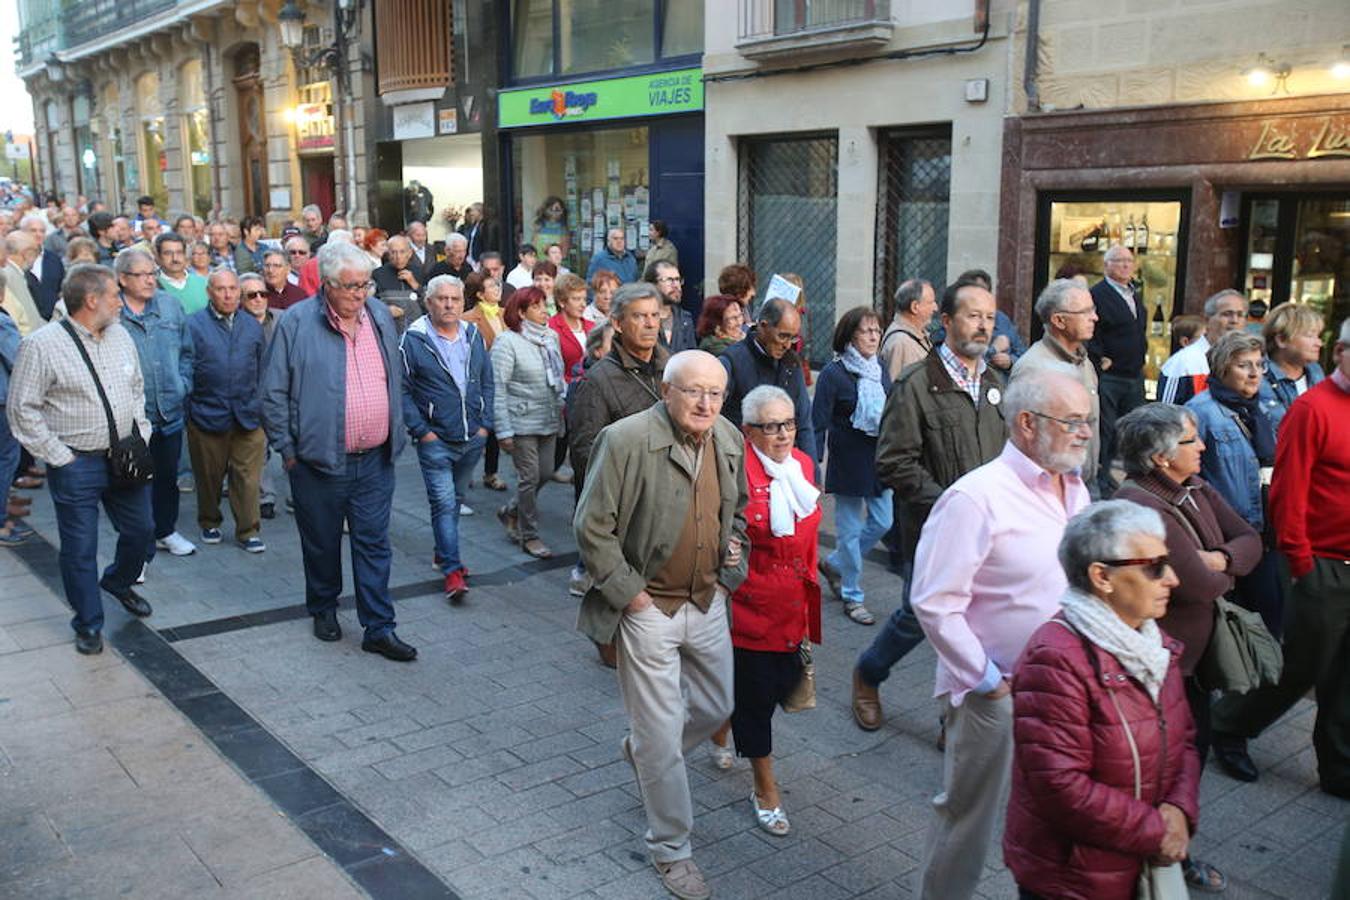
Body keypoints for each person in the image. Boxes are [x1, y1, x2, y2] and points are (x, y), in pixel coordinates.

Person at [909, 368, 1093, 900]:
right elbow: (934, 602)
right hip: (999, 693)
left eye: (1088, 421)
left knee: (1056, 821)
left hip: (1068, 691)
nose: (1084, 432)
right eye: (1073, 421)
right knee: (968, 819)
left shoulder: (1076, 487)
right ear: (1028, 423)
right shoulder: (976, 498)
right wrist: (989, 681)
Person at [573, 349, 748, 900]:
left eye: (715, 393)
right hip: (647, 609)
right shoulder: (625, 439)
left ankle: (647, 750)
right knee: (662, 735)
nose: (705, 403)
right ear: (667, 391)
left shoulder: (728, 438)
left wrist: (729, 570)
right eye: (693, 390)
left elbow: (737, 510)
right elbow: (591, 526)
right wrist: (633, 597)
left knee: (717, 706)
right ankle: (672, 850)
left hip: (707, 600)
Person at [1004, 500, 1200, 900]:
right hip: (1073, 879)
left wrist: (1179, 810)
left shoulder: (1152, 643)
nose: (1173, 579)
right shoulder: (1055, 657)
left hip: (1132, 861)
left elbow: (1186, 739)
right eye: (1154, 567)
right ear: (1102, 577)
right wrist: (1157, 830)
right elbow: (1060, 786)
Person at [1112, 403, 1258, 892]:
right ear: (1159, 457)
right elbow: (1198, 586)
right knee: (1166, 766)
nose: (1202, 446)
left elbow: (1251, 538)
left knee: (1189, 760)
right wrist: (1223, 567)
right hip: (1162, 663)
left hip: (1196, 661)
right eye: (1190, 440)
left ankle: (1172, 849)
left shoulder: (1193, 486)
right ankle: (1160, 857)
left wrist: (1219, 558)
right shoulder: (1142, 506)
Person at [851, 279, 1007, 732]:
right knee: (920, 618)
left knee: (974, 624)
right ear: (945, 322)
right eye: (972, 315)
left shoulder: (996, 384)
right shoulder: (916, 385)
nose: (982, 325)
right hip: (933, 532)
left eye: (989, 318)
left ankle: (954, 719)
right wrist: (955, 506)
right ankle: (868, 673)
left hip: (987, 536)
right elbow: (893, 462)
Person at [1211, 317, 1350, 798]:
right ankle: (1228, 724)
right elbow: (1289, 492)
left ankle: (1339, 766)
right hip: (1322, 561)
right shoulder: (1314, 409)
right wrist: (1303, 562)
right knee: (1303, 663)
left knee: (1346, 669)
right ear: (1341, 353)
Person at [260, 241, 416, 662]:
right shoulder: (295, 323)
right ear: (326, 285)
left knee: (373, 544)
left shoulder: (379, 315)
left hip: (376, 460)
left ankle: (379, 627)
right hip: (316, 462)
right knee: (322, 543)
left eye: (364, 285)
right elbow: (272, 392)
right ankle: (324, 607)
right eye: (349, 286)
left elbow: (395, 378)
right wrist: (288, 451)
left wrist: (397, 430)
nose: (359, 294)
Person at [6, 264, 155, 654]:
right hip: (77, 464)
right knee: (79, 548)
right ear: (91, 301)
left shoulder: (121, 335)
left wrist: (141, 430)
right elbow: (23, 410)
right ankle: (88, 623)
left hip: (125, 457)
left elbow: (136, 388)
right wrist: (60, 457)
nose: (119, 303)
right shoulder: (42, 345)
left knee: (141, 531)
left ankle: (118, 582)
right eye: (112, 296)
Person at [712, 384, 820, 836]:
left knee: (779, 688)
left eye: (789, 423)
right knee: (757, 704)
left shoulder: (804, 466)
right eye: (770, 426)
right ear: (748, 430)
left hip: (793, 606)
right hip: (750, 612)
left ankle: (719, 723)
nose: (782, 435)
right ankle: (765, 788)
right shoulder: (734, 472)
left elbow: (810, 537)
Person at [566, 282, 668, 663]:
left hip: (667, 491)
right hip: (623, 497)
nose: (649, 324)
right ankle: (604, 634)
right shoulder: (599, 380)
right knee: (619, 574)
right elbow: (585, 450)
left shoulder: (670, 366)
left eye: (654, 315)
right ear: (618, 323)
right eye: (639, 316)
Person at [400, 275, 493, 603]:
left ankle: (443, 552)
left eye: (455, 299)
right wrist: (422, 432)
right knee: (443, 503)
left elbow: (487, 381)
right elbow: (402, 391)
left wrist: (486, 425)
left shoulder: (472, 334)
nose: (450, 304)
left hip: (472, 438)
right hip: (435, 441)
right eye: (442, 299)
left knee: (454, 499)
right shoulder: (413, 340)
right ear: (429, 303)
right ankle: (452, 569)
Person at [1186, 332, 1286, 634]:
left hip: (1265, 532)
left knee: (1269, 618)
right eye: (1245, 365)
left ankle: (1262, 680)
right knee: (1228, 622)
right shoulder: (1199, 411)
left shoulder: (1263, 409)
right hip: (1224, 534)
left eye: (1260, 365)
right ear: (1223, 368)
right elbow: (1189, 477)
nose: (1255, 373)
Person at [115, 248, 197, 562]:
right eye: (142, 274)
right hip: (133, 418)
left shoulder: (169, 305)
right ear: (123, 279)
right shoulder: (113, 312)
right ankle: (138, 549)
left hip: (170, 411)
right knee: (134, 483)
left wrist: (182, 385)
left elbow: (188, 352)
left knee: (167, 477)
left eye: (153, 273)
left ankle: (165, 531)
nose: (151, 280)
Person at [812, 307, 891, 625]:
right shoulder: (834, 374)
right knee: (849, 530)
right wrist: (812, 465)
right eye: (866, 331)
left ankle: (833, 563)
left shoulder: (880, 368)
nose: (873, 336)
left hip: (879, 458)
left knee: (883, 522)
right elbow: (817, 422)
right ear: (849, 336)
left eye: (876, 330)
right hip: (847, 461)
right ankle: (852, 594)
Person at [184, 269, 267, 553]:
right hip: (207, 415)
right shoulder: (193, 325)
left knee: (248, 477)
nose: (229, 294)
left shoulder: (251, 325)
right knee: (209, 476)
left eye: (233, 288)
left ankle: (248, 530)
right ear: (209, 292)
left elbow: (261, 369)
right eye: (221, 289)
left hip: (247, 415)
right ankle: (209, 520)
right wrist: (191, 412)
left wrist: (259, 406)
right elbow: (185, 370)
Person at [491, 287, 565, 559]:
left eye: (545, 305)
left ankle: (510, 510)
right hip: (520, 421)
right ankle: (529, 535)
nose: (544, 311)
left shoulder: (550, 338)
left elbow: (556, 378)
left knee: (546, 473)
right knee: (529, 477)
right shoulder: (507, 342)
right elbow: (497, 387)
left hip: (548, 417)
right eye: (536, 307)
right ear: (521, 313)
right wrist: (503, 430)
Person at [1012, 278, 1102, 495]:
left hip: (1084, 483)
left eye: (1094, 309)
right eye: (1086, 312)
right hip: (1050, 487)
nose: (1095, 318)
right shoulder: (1034, 368)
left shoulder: (1084, 361)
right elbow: (1021, 437)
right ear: (1059, 321)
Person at [719, 297, 816, 460]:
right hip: (743, 464)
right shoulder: (732, 361)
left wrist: (812, 476)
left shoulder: (791, 363)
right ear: (763, 327)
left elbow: (804, 423)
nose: (787, 345)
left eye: (793, 338)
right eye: (783, 336)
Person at [1087, 245, 1147, 496]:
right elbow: (1091, 331)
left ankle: (1130, 479)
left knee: (1135, 430)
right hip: (1111, 377)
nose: (1125, 265)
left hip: (1134, 374)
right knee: (1107, 430)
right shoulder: (1097, 294)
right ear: (1106, 265)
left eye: (1129, 261)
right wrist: (1099, 357)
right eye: (1119, 261)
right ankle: (1102, 480)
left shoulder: (1134, 293)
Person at [1158, 289, 1249, 404]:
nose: (1234, 320)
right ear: (1207, 320)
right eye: (1227, 314)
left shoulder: (1251, 363)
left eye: (1240, 315)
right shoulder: (1185, 362)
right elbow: (1166, 415)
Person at [239, 273, 279, 518]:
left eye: (262, 294)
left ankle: (301, 497)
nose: (258, 299)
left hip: (283, 395)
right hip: (252, 396)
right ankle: (266, 497)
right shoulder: (237, 324)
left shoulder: (284, 320)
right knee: (258, 450)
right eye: (251, 295)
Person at [1263, 301, 1325, 411]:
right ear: (1281, 340)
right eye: (1310, 336)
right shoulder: (1257, 378)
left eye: (1318, 336)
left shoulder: (1316, 372)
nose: (1319, 343)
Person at [879, 278, 935, 381]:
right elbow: (896, 390)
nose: (935, 308)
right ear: (915, 307)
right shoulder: (901, 342)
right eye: (930, 303)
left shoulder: (915, 337)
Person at [548, 272, 594, 382]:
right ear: (561, 302)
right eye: (577, 299)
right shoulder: (551, 328)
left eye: (584, 299)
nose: (583, 304)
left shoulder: (592, 326)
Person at [646, 260, 697, 352]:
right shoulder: (642, 320)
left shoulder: (685, 319)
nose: (676, 285)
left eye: (678, 279)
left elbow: (691, 356)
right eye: (670, 280)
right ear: (652, 285)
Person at [21, 214, 64, 320]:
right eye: (33, 230)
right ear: (22, 232)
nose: (38, 234)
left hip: (52, 319)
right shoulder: (16, 258)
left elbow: (60, 288)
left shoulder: (54, 259)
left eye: (42, 231)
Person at [154, 231, 208, 315]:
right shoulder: (152, 287)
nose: (175, 258)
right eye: (168, 253)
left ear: (185, 255)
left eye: (179, 252)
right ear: (158, 257)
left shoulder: (204, 283)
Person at [3, 232, 45, 334]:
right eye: (36, 252)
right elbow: (28, 318)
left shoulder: (15, 273)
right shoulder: (9, 275)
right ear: (27, 253)